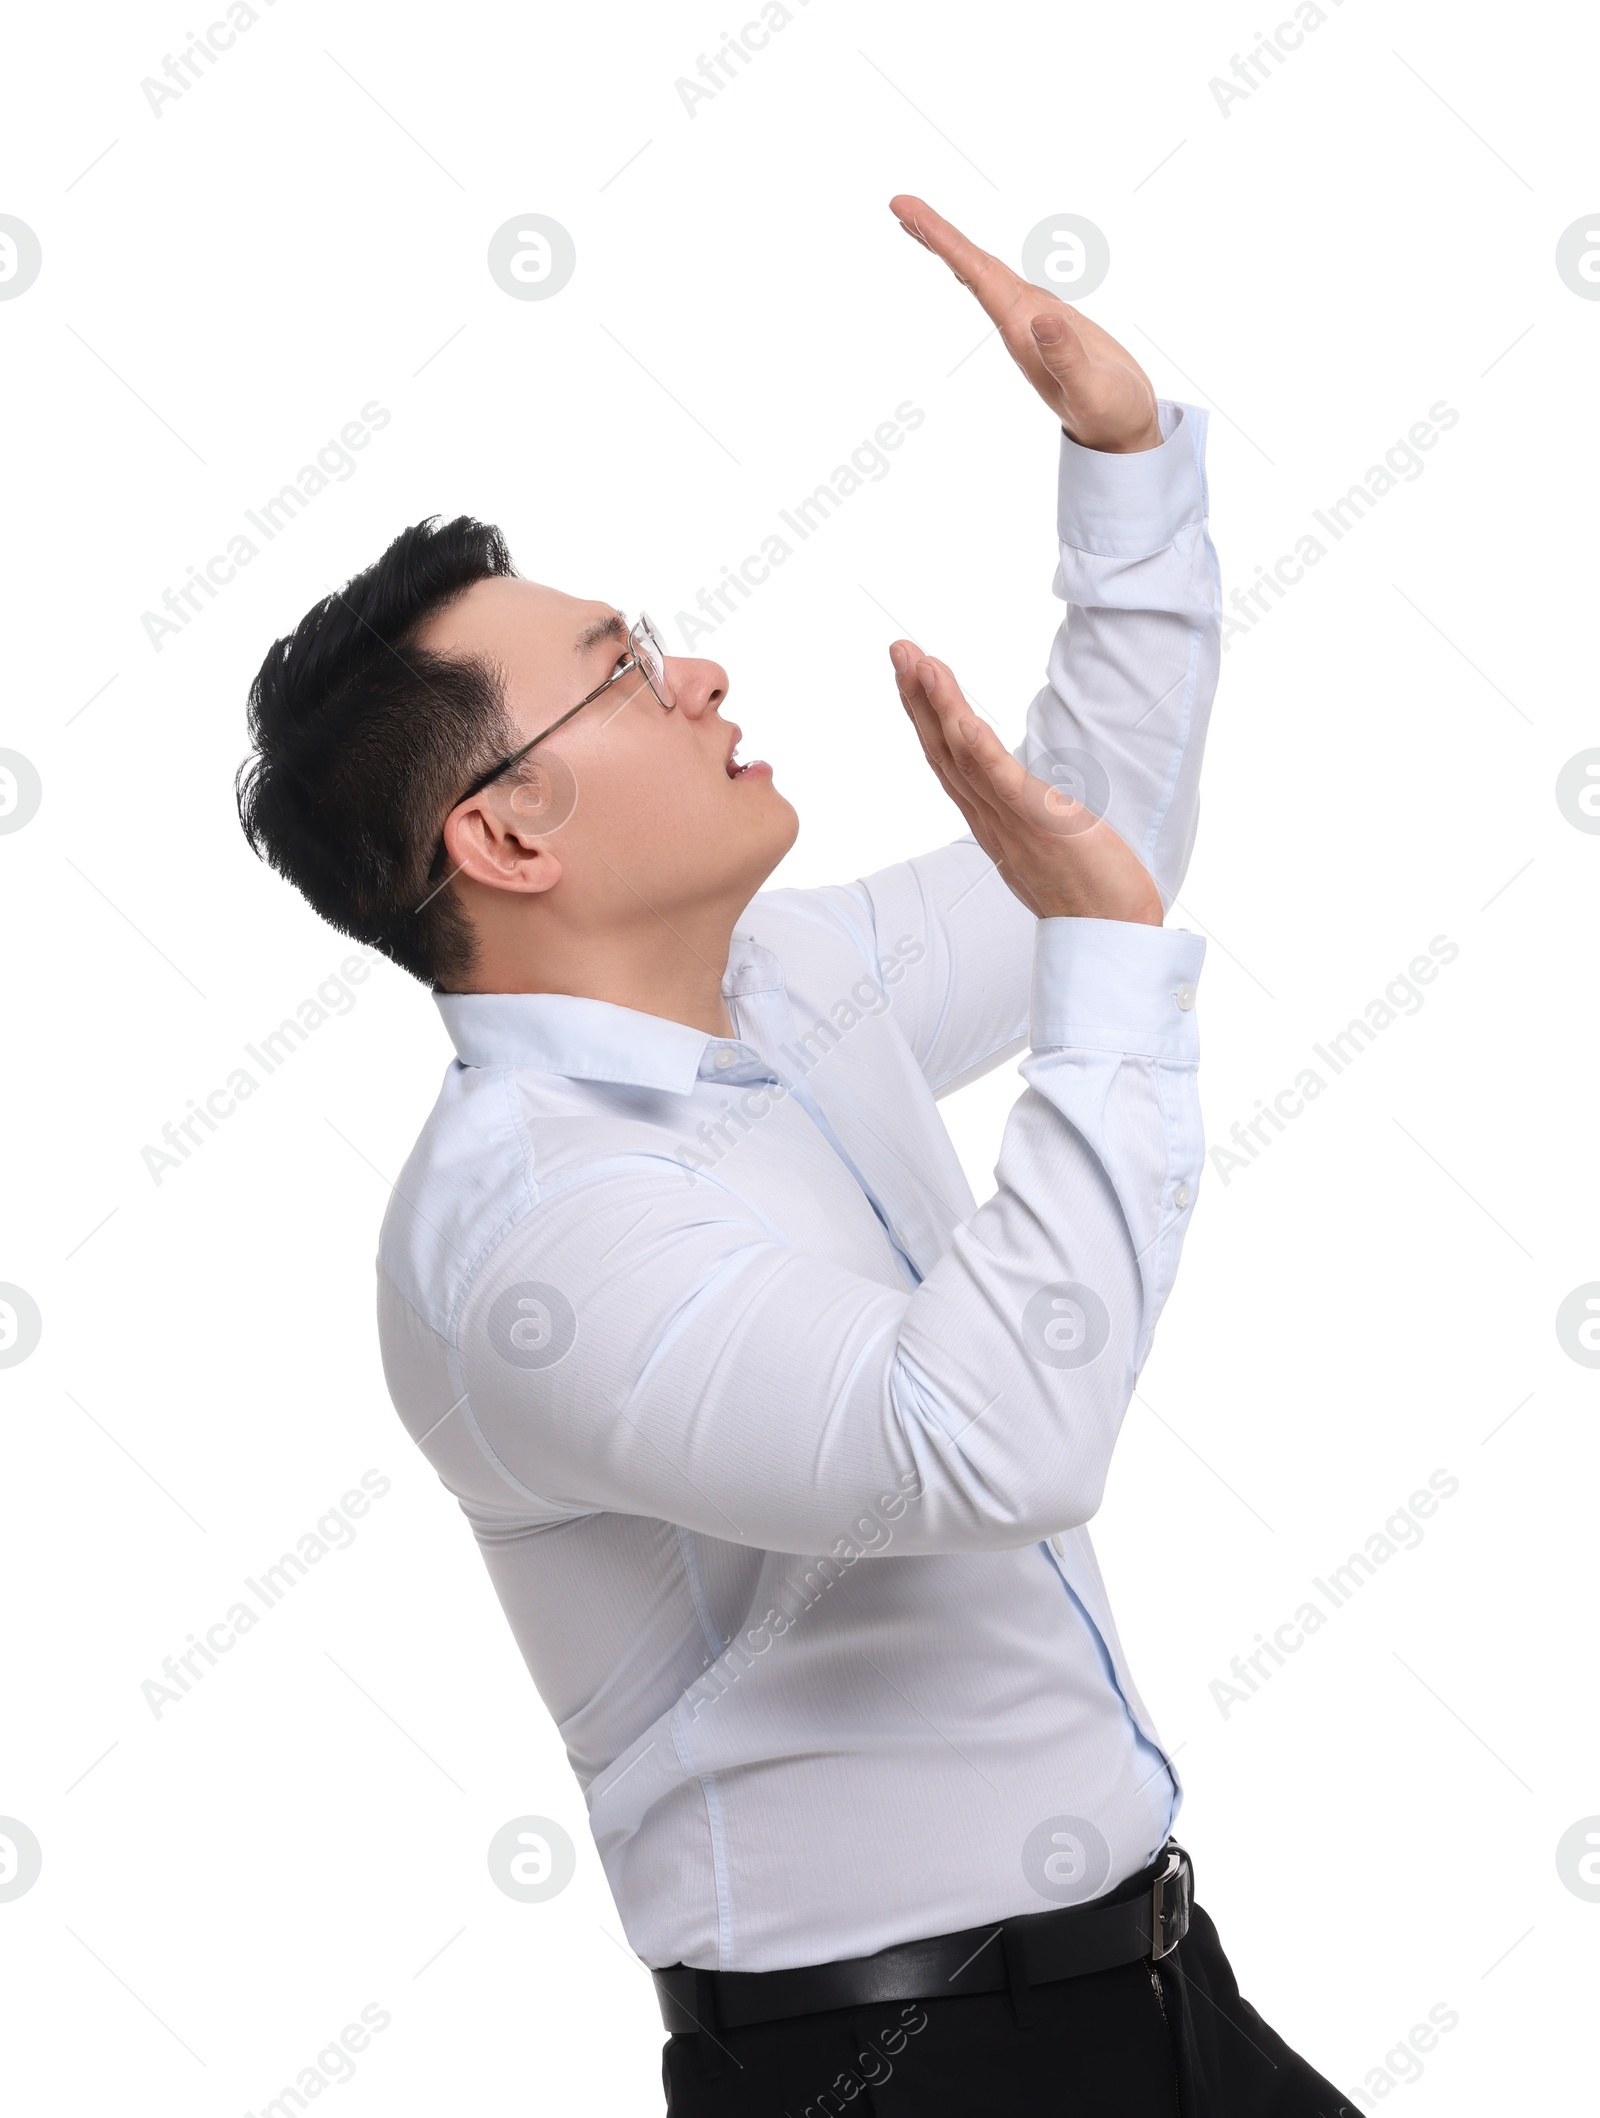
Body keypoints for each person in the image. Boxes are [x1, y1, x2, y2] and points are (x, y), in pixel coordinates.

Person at [236, 196, 1351, 2115]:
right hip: (894, 2071)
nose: (702, 677)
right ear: (507, 841)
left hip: (1161, 1990)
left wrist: (1120, 462)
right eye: (625, 669)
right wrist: (1102, 981)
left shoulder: (784, 981)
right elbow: (986, 1439)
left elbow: (1095, 846)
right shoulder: (530, 1240)